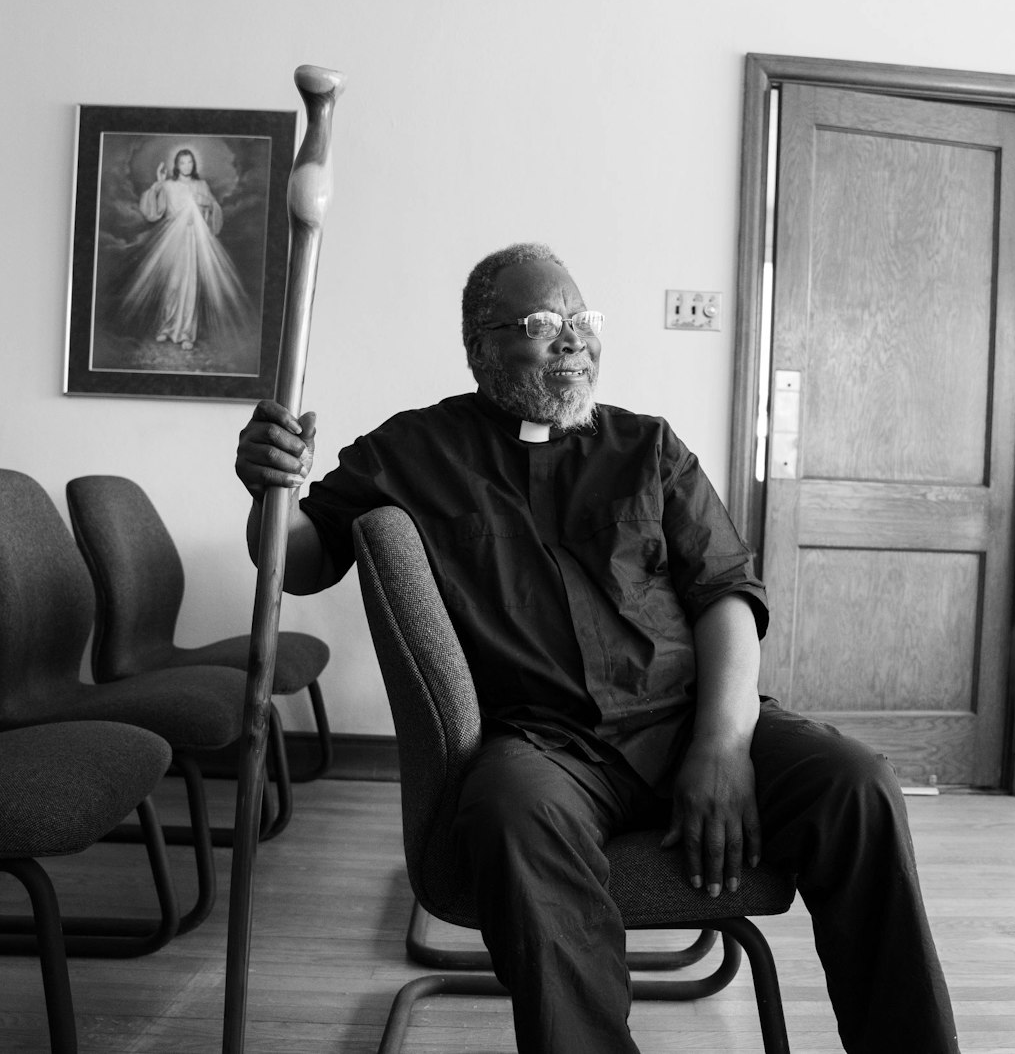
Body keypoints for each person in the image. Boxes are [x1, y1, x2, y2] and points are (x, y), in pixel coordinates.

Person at [234, 242, 959, 1054]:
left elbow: (727, 594)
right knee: (512, 809)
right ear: (481, 347)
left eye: (582, 319)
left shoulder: (648, 447)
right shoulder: (413, 451)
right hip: (547, 746)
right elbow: (294, 562)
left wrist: (725, 744)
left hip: (690, 715)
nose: (573, 339)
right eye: (543, 324)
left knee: (856, 782)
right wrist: (271, 489)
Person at [121, 147, 250, 350]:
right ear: (177, 165)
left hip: (193, 240)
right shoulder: (169, 186)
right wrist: (158, 183)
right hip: (172, 239)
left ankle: (186, 333)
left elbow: (215, 211)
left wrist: (205, 203)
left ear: (194, 164)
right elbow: (151, 210)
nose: (187, 166)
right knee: (172, 285)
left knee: (190, 286)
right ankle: (167, 326)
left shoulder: (201, 185)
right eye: (183, 162)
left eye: (190, 162)